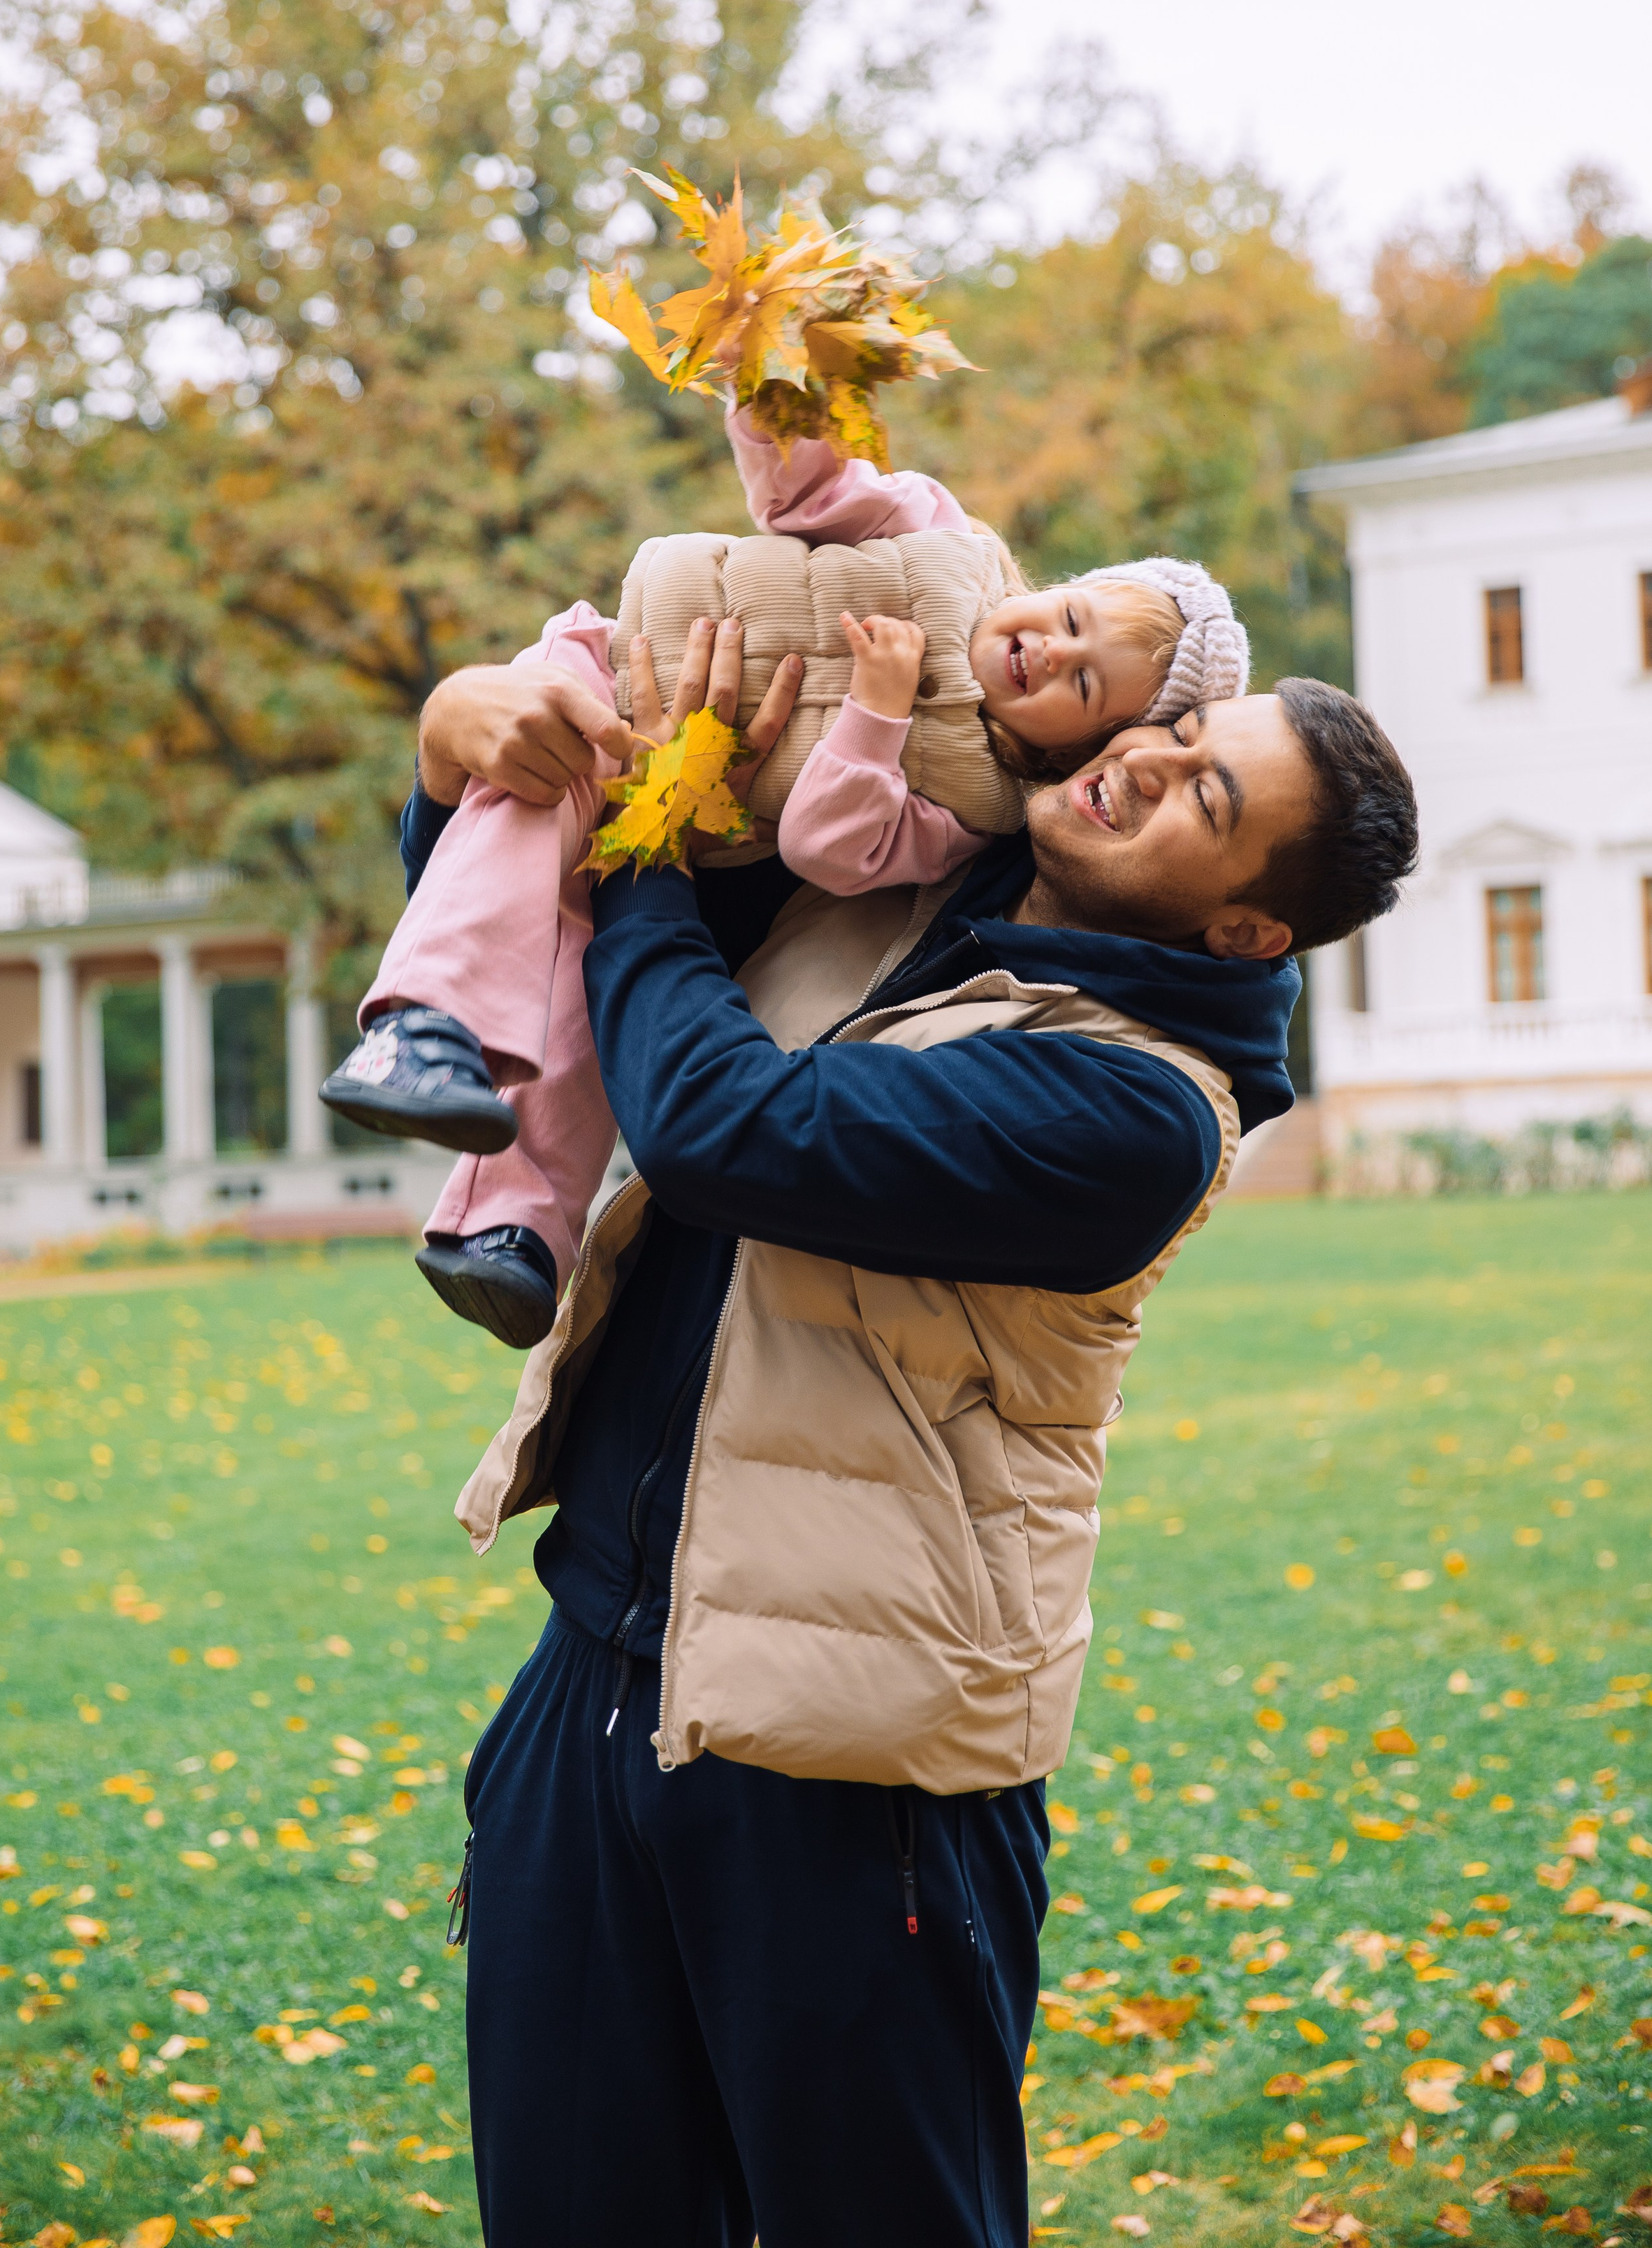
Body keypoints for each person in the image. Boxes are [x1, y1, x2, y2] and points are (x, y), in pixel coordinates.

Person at [402, 628, 1419, 2248]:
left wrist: (661, 832)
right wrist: (463, 751)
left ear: (1243, 925)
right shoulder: (887, 867)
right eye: (1180, 730)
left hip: (857, 1777)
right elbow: (565, 922)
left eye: (1203, 793)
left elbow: (728, 1126)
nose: (1144, 758)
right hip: (590, 1690)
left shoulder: (1141, 1113)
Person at [320, 401, 1249, 1348]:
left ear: (1084, 745)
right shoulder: (943, 540)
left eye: (1084, 681)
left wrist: (876, 719)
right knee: (523, 825)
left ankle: (512, 1228)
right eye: (1070, 613)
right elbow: (812, 492)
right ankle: (423, 1029)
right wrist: (778, 403)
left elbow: (828, 844)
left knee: (586, 963)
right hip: (607, 685)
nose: (1051, 647)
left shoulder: (975, 815)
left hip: (685, 810)